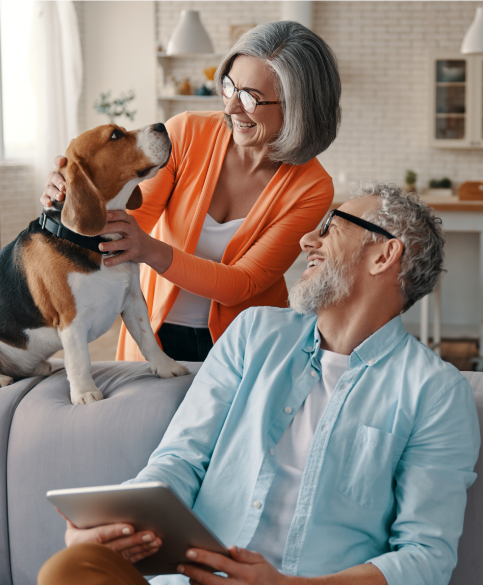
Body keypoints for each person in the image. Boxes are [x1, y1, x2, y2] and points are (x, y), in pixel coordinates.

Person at [38, 182, 480, 585]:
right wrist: (116, 521)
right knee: (71, 567)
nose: (309, 240)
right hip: (188, 577)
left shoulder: (436, 392)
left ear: (385, 256)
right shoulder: (255, 333)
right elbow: (181, 458)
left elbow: (425, 557)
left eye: (331, 228)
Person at [41, 21, 341, 363]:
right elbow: (125, 223)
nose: (230, 108)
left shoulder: (313, 187)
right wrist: (74, 192)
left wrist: (150, 249)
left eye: (251, 97)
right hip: (154, 332)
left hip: (246, 345)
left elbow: (241, 284)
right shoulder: (185, 132)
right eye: (230, 87)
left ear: (298, 106)